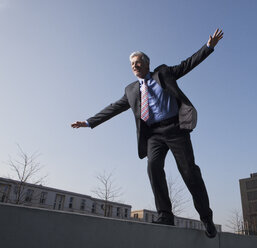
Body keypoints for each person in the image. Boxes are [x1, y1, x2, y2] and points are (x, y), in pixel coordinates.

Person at [71, 29, 223, 238]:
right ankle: (165, 215)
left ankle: (206, 217)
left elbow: (187, 64)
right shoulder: (131, 90)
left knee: (189, 171)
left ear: (147, 63)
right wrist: (89, 122)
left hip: (176, 130)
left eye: (138, 63)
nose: (134, 66)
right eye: (132, 64)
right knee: (153, 167)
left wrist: (208, 47)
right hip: (153, 135)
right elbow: (114, 107)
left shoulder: (163, 73)